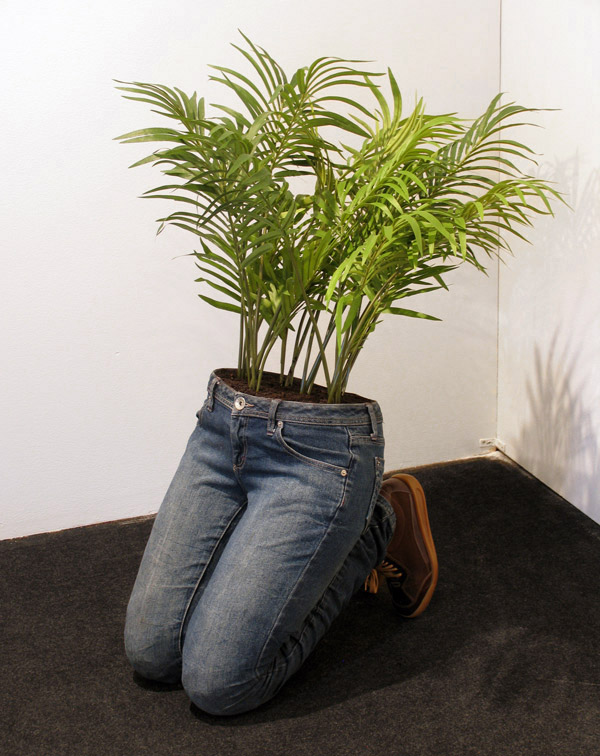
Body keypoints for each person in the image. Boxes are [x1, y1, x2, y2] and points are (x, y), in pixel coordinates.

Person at [124, 371, 438, 716]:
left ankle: (377, 523)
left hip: (320, 451)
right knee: (152, 655)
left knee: (219, 686)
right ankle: (325, 529)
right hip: (224, 422)